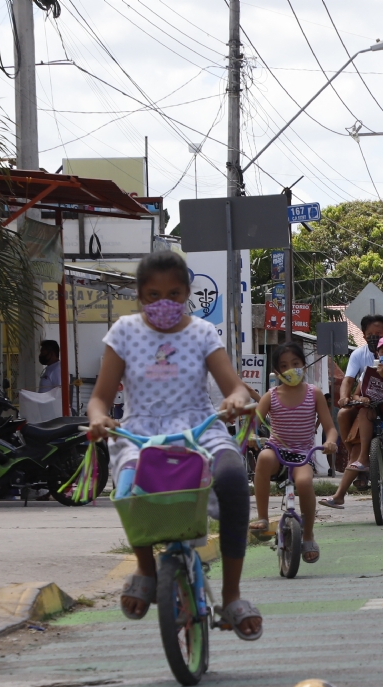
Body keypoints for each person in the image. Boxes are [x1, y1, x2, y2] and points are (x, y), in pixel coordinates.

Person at [85, 251, 263, 640]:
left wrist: (233, 398)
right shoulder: (124, 333)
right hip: (141, 432)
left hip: (199, 428)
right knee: (131, 487)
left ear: (186, 294)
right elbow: (99, 398)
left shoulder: (202, 332)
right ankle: (145, 568)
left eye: (173, 294)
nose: (162, 303)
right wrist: (99, 418)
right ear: (138, 295)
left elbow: (232, 385)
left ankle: (231, 596)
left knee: (233, 481)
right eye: (152, 295)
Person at [251, 342, 338, 564]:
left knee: (305, 483)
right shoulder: (270, 396)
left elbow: (330, 427)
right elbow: (253, 425)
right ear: (277, 372)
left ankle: (308, 534)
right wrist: (251, 438)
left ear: (304, 365)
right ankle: (262, 518)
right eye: (284, 365)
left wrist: (330, 442)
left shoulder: (314, 394)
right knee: (263, 458)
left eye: (295, 363)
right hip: (277, 452)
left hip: (303, 455)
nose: (291, 368)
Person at [321, 335, 383, 507]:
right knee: (363, 418)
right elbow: (357, 393)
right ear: (377, 354)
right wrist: (360, 399)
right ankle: (342, 491)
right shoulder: (368, 371)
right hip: (373, 419)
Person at [332, 313, 383, 471]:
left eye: (378, 334)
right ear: (364, 336)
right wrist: (344, 398)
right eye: (370, 335)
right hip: (365, 404)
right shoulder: (358, 355)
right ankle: (353, 457)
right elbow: (348, 379)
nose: (374, 338)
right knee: (343, 414)